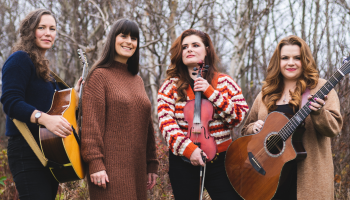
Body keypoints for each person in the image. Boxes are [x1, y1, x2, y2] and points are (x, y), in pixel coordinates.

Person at [241, 35, 343, 199]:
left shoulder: (322, 88)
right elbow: (246, 129)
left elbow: (334, 129)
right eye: (285, 58)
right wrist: (254, 128)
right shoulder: (266, 94)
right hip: (267, 180)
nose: (290, 62)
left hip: (308, 181)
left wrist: (319, 113)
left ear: (305, 60)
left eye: (297, 58)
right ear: (277, 61)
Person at [1, 9, 83, 199]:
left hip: (49, 151)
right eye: (42, 27)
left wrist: (75, 96)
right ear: (30, 31)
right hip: (26, 151)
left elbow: (58, 108)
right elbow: (10, 102)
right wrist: (44, 119)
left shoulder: (44, 70)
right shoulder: (19, 59)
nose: (48, 33)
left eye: (52, 29)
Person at [157, 29, 249, 199]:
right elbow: (166, 125)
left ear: (207, 49)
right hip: (183, 160)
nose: (189, 49)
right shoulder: (169, 87)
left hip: (222, 161)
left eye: (195, 45)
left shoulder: (225, 82)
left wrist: (211, 92)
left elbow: (237, 117)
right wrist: (189, 150)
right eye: (185, 47)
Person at [80, 18, 159, 200]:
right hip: (108, 171)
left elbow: (147, 127)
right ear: (112, 39)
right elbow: (91, 126)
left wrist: (152, 164)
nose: (129, 42)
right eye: (123, 36)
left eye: (134, 38)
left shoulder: (137, 80)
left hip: (137, 170)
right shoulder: (99, 75)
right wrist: (95, 163)